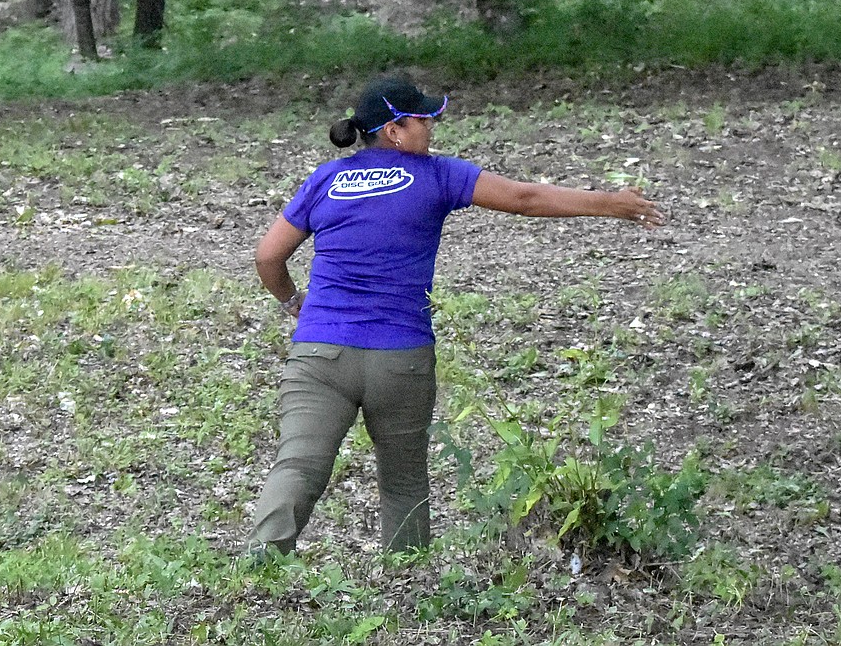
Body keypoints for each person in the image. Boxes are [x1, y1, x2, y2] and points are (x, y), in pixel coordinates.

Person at [247, 76, 664, 556]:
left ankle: (261, 571)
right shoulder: (437, 175)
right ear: (394, 131)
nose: (433, 126)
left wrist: (290, 302)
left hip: (319, 353)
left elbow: (267, 257)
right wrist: (608, 204)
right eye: (423, 119)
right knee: (403, 478)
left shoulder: (325, 179)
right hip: (400, 358)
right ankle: (409, 583)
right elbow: (524, 198)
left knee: (298, 464)